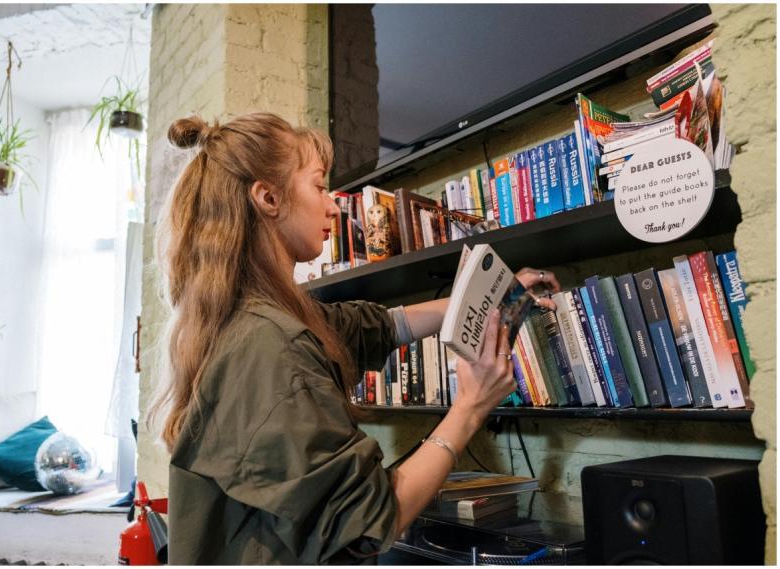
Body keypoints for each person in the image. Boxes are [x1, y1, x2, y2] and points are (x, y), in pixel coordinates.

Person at [148, 112, 560, 564]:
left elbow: (371, 327)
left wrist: (496, 297)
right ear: (268, 197)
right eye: (320, 186)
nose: (332, 206)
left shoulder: (256, 318)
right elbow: (369, 523)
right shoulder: (270, 343)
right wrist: (471, 408)